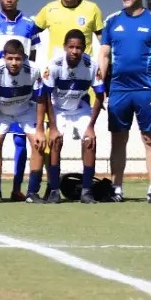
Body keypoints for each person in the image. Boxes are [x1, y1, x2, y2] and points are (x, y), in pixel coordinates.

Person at [98, 0, 151, 203]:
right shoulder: (112, 20)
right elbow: (105, 54)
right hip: (119, 90)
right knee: (118, 140)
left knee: (150, 139)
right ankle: (117, 187)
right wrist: (101, 84)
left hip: (146, 90)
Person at [0, 0, 41, 200]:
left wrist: (23, 77)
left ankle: (21, 189)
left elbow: (31, 56)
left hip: (21, 95)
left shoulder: (29, 25)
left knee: (22, 142)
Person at [41, 29, 105, 204]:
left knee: (89, 142)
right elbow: (45, 96)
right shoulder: (54, 64)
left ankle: (86, 191)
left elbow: (100, 96)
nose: (75, 51)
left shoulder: (92, 65)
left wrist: (91, 126)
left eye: (79, 48)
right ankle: (54, 190)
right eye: (71, 47)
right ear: (64, 47)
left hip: (80, 108)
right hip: (58, 109)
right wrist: (52, 127)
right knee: (55, 141)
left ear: (84, 49)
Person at [0, 39, 46, 204]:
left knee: (38, 143)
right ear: (4, 57)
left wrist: (39, 129)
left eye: (18, 59)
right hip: (2, 111)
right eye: (10, 58)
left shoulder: (33, 70)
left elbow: (41, 99)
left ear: (24, 58)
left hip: (26, 110)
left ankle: (32, 193)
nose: (14, 63)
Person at [34, 0, 105, 59]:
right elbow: (32, 33)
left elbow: (103, 40)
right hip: (56, 67)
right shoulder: (49, 9)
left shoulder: (92, 8)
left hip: (83, 67)